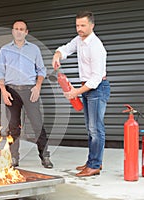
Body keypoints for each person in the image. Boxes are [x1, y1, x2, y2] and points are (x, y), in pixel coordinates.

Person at [52, 11, 111, 177]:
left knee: (96, 129)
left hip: (97, 89)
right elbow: (65, 49)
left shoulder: (96, 46)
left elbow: (95, 79)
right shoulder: (79, 40)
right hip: (86, 88)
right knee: (90, 128)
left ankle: (94, 165)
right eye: (77, 25)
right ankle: (92, 161)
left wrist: (75, 92)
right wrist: (57, 55)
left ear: (92, 25)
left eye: (83, 25)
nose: (79, 29)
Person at [0, 20, 53, 168]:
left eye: (22, 29)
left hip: (30, 90)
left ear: (26, 32)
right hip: (11, 91)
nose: (19, 31)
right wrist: (3, 90)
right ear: (12, 31)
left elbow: (41, 70)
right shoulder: (5, 50)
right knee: (13, 126)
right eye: (16, 29)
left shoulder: (34, 49)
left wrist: (38, 86)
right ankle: (14, 157)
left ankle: (44, 156)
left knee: (37, 124)